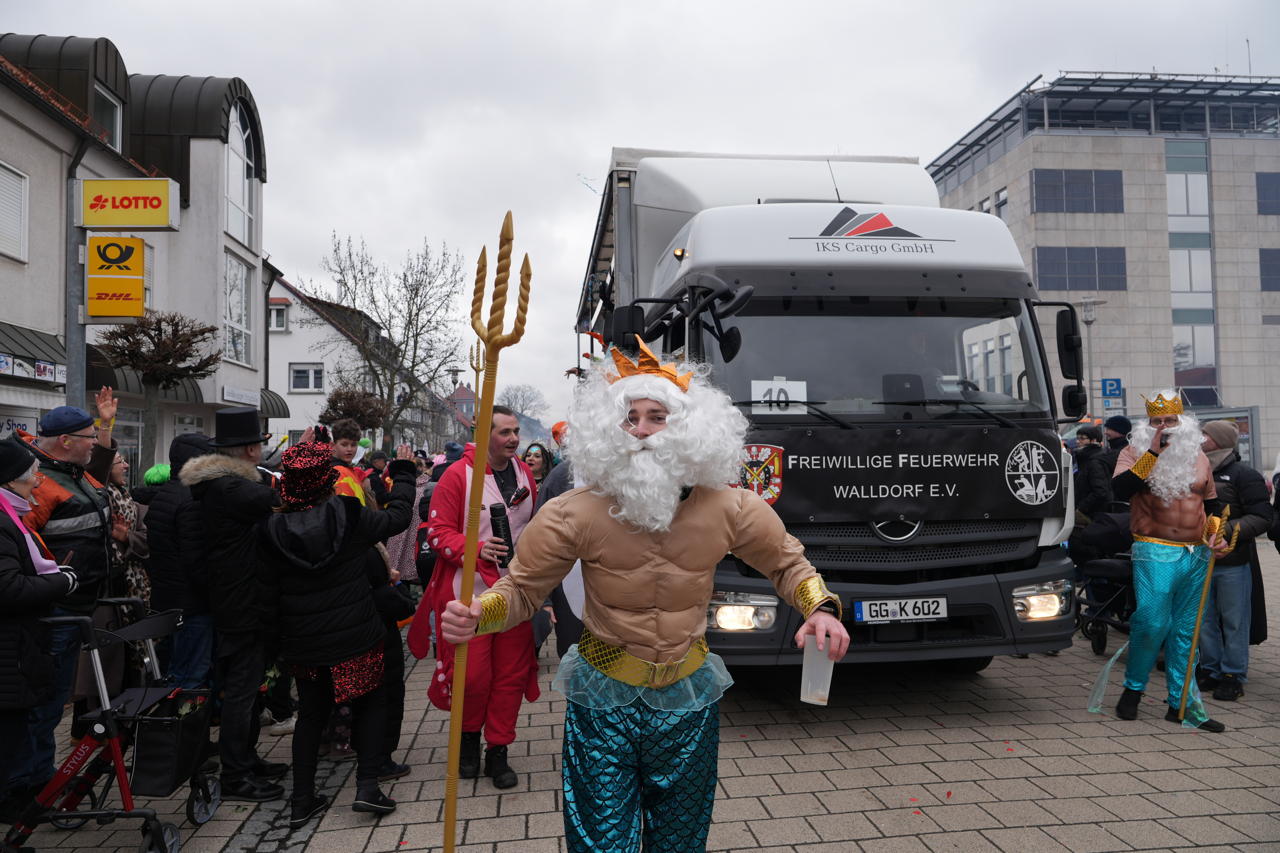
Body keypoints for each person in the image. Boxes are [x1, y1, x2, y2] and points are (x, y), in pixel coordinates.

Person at [441, 339, 849, 851]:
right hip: (603, 699)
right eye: (628, 418)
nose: (640, 430)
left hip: (687, 698)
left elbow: (788, 563)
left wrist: (821, 608)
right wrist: (479, 613)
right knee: (603, 843)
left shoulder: (732, 508)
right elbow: (522, 590)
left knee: (680, 841)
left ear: (687, 429)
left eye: (656, 416)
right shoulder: (573, 511)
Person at [257, 440, 416, 828]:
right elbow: (396, 519)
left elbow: (265, 590)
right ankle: (367, 787)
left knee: (311, 715)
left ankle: (302, 800)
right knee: (370, 702)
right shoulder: (348, 513)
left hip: (303, 643)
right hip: (355, 637)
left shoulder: (271, 528)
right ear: (327, 480)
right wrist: (405, 475)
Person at [412, 406, 538, 790]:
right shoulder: (456, 475)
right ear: (483, 436)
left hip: (515, 594)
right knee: (474, 677)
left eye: (516, 431)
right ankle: (468, 741)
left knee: (510, 678)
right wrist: (476, 548)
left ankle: (498, 751)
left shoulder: (524, 472)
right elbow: (436, 533)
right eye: (504, 433)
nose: (514, 439)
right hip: (469, 596)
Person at [7, 398, 115, 800]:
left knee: (53, 704)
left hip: (75, 608)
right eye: (90, 439)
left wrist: (104, 426)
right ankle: (27, 787)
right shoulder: (40, 483)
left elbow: (98, 484)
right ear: (66, 441)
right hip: (53, 612)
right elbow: (20, 548)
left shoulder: (74, 473)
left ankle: (39, 779)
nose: (96, 445)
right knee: (43, 705)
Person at [181, 407, 290, 801]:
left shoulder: (222, 483)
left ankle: (247, 758)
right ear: (248, 450)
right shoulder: (231, 488)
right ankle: (236, 775)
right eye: (259, 444)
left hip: (243, 600)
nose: (261, 450)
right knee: (242, 692)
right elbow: (279, 497)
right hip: (243, 604)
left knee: (249, 689)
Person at [1107, 391, 1228, 732]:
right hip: (1154, 548)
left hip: (1196, 551)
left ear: (1182, 422)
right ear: (1147, 425)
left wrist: (1218, 533)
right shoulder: (1133, 453)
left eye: (1170, 421)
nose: (1164, 427)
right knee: (1152, 622)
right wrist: (1153, 453)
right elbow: (1119, 490)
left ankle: (1183, 705)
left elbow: (1213, 505)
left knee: (1187, 632)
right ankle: (1133, 689)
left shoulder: (1198, 456)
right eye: (1157, 421)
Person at [0, 438, 79, 823]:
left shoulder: (10, 513)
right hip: (10, 649)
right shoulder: (2, 519)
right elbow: (9, 588)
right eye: (33, 474)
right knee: (14, 736)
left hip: (19, 645)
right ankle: (17, 808)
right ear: (13, 479)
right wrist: (61, 584)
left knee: (20, 730)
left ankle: (22, 799)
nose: (38, 481)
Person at [1196, 421, 1272, 702]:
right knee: (1204, 620)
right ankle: (1210, 669)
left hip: (1233, 562)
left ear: (1218, 440)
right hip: (1199, 560)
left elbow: (1263, 517)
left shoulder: (1244, 475)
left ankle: (1233, 674)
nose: (1200, 438)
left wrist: (1223, 530)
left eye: (1206, 434)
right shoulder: (1195, 469)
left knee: (1234, 621)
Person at [147, 433, 215, 689]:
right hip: (192, 605)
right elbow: (195, 559)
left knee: (174, 669)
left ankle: (169, 722)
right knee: (190, 675)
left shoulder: (166, 494)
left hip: (169, 600)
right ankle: (181, 726)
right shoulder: (191, 502)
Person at [1073, 425, 1111, 523]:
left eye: (1082, 438)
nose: (1078, 441)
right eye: (1077, 438)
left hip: (1093, 514)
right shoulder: (1084, 457)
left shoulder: (1095, 460)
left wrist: (1081, 508)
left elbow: (1100, 491)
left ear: (1093, 440)